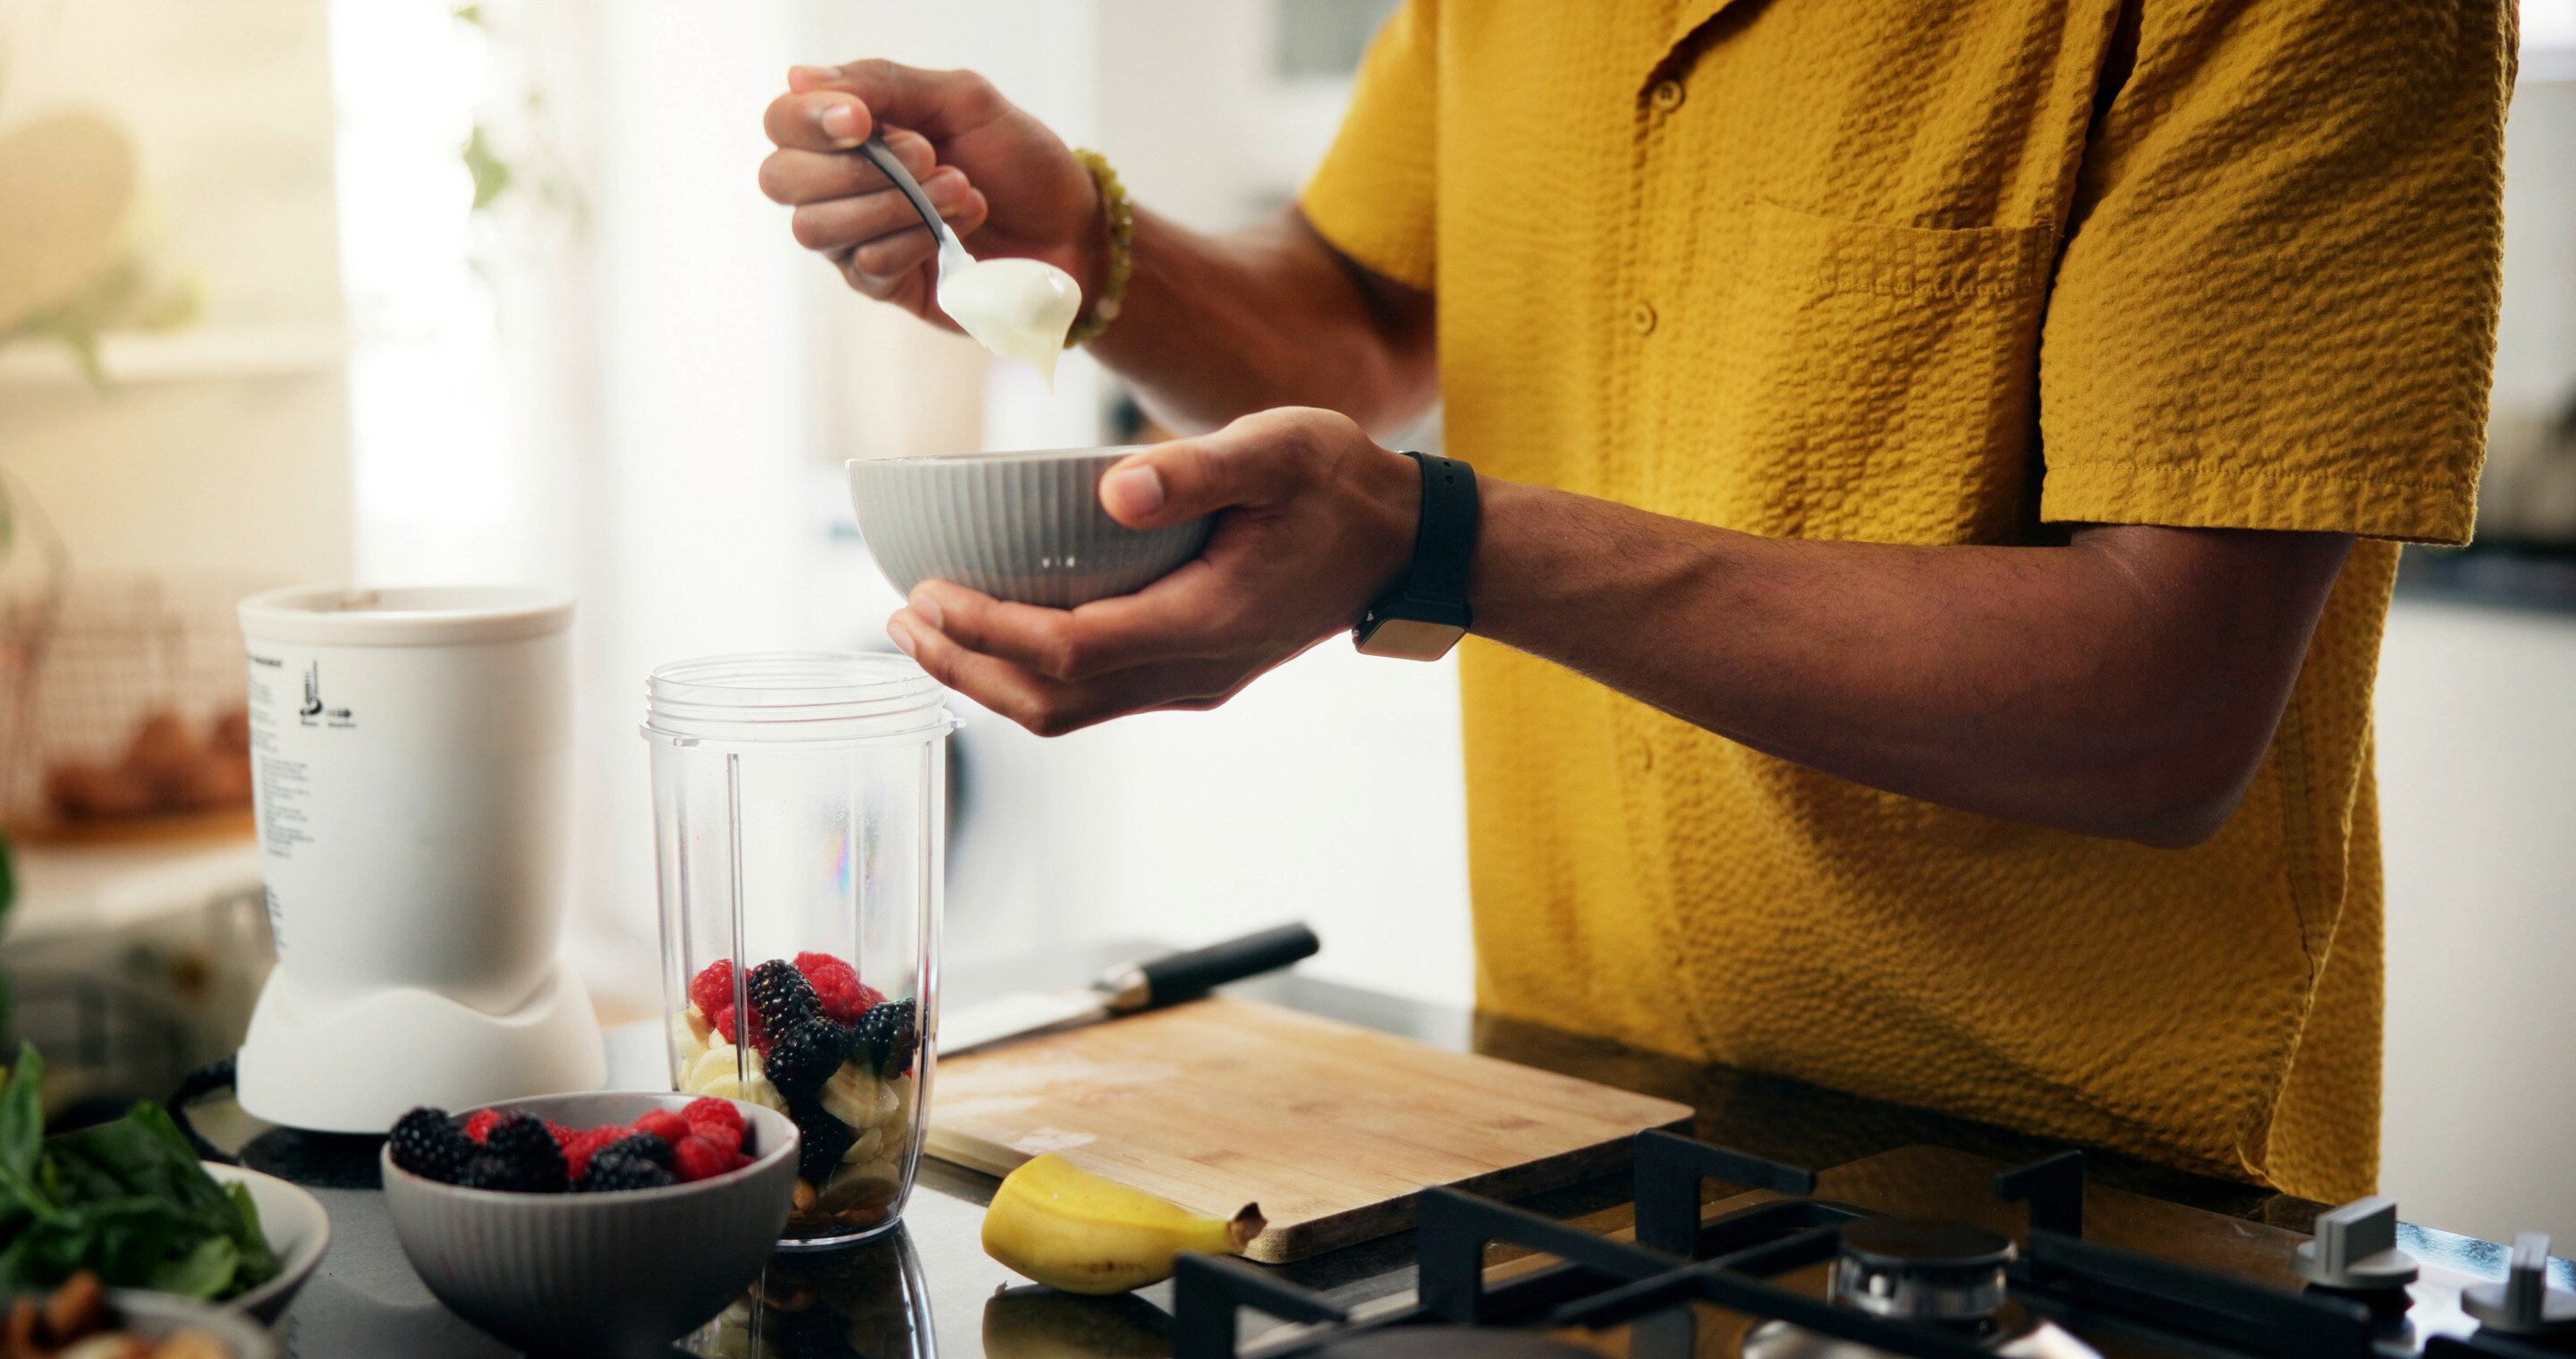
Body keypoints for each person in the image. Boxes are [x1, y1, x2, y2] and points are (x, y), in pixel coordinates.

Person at [759, 0, 2509, 1202]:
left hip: (2084, 1200)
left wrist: (1432, 543)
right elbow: (1356, 323)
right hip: (1573, 1122)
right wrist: (1077, 236)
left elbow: (2161, 703)